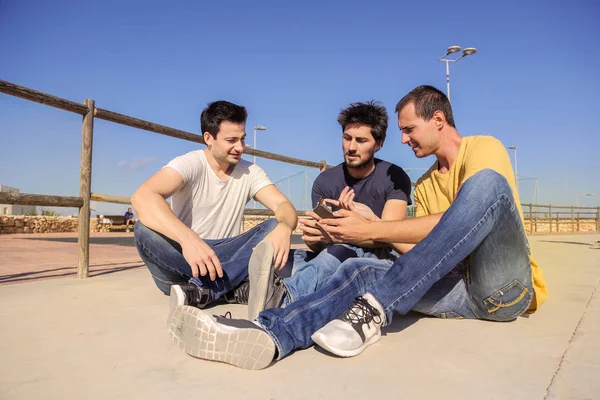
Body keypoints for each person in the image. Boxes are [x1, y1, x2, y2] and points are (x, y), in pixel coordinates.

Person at [166, 86, 549, 370]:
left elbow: (450, 223)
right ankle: (271, 332)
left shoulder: (483, 149)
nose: (403, 139)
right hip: (454, 288)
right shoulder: (428, 184)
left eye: (409, 129)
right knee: (357, 269)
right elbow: (419, 254)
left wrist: (373, 229)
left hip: (504, 289)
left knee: (487, 186)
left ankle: (375, 306)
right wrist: (367, 229)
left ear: (438, 119)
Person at [247, 101, 412, 320]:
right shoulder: (325, 181)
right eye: (347, 138)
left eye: (361, 140)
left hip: (375, 258)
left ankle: (285, 296)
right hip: (329, 252)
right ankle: (243, 287)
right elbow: (317, 244)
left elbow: (390, 234)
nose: (351, 147)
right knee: (283, 258)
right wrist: (317, 237)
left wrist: (356, 227)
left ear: (378, 144)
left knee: (340, 251)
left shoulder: (394, 176)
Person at [133, 100, 297, 311]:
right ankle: (231, 288)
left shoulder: (250, 172)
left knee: (275, 225)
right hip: (183, 260)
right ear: (208, 138)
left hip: (226, 258)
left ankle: (206, 290)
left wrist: (285, 228)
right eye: (231, 140)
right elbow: (143, 196)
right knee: (143, 230)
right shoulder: (190, 163)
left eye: (242, 139)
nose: (240, 147)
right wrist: (189, 241)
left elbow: (283, 205)